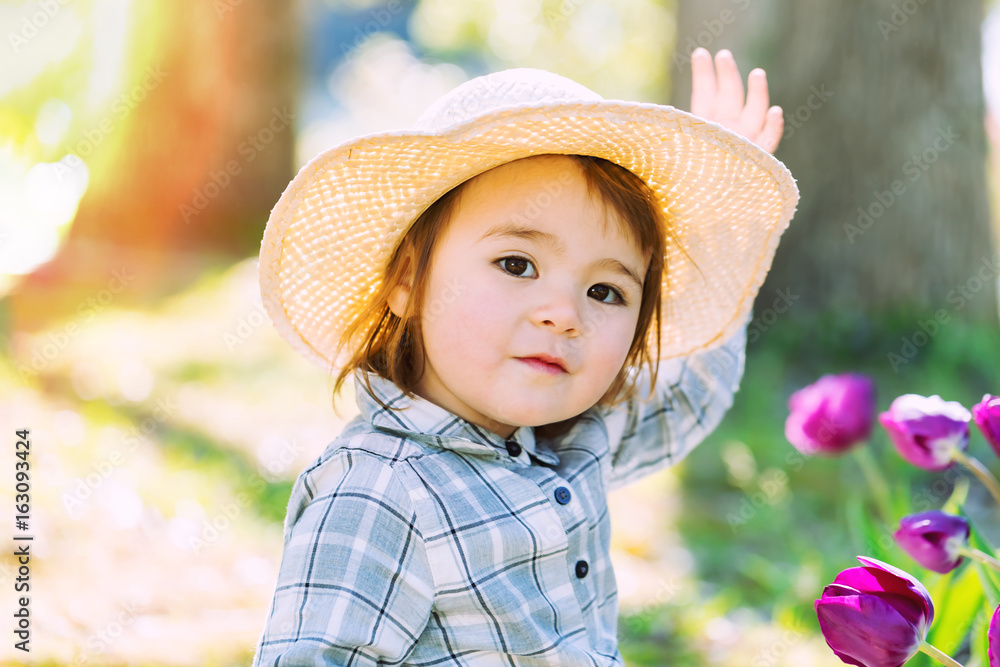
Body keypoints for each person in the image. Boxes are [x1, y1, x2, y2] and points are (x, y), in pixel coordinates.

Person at [251, 47, 798, 666]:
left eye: (605, 292)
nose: (563, 313)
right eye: (517, 264)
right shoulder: (380, 490)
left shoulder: (570, 444)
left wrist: (726, 233)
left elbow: (688, 396)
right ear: (407, 280)